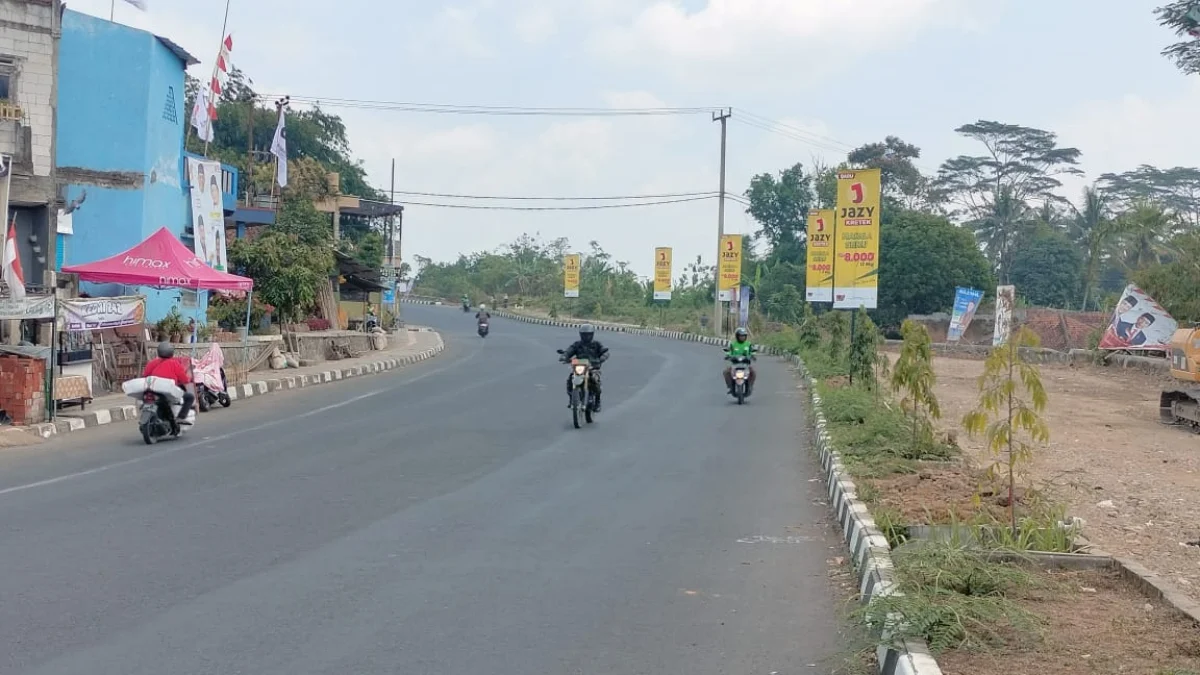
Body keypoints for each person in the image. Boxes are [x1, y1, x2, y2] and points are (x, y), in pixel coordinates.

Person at [142, 342, 195, 425]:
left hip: (153, 390)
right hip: (168, 392)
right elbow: (184, 380)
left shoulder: (151, 363)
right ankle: (181, 418)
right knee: (190, 397)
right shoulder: (174, 363)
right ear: (171, 352)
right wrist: (187, 379)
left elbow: (145, 376)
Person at [560, 323, 608, 412]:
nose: (586, 336)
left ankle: (597, 402)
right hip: (579, 367)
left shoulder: (596, 344)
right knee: (570, 379)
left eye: (588, 334)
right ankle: (572, 399)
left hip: (593, 368)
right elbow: (569, 351)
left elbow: (605, 352)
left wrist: (603, 357)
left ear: (592, 334)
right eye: (584, 334)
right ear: (581, 334)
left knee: (595, 380)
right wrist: (564, 356)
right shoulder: (577, 344)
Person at [723, 327, 757, 395]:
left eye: (744, 336)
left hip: (746, 364)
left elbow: (752, 351)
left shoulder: (748, 344)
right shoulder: (733, 344)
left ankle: (750, 386)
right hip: (735, 364)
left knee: (753, 372)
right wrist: (728, 355)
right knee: (726, 372)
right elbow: (729, 351)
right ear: (737, 336)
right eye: (741, 336)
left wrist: (752, 355)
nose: (742, 337)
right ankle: (730, 386)